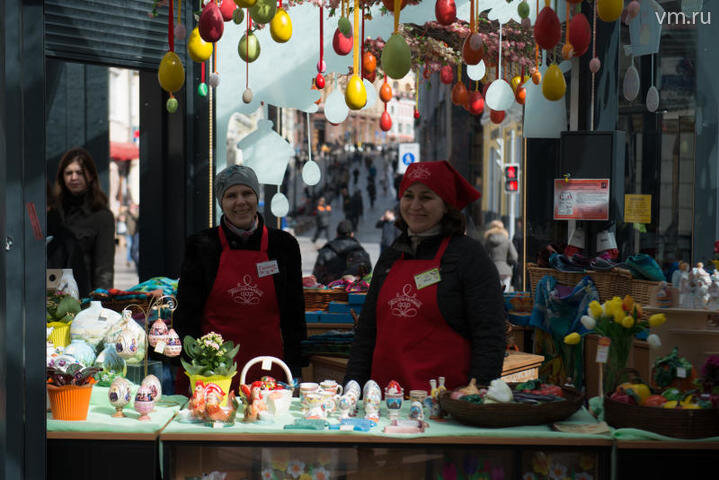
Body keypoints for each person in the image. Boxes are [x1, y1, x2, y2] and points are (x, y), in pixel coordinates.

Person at [344, 161, 506, 392]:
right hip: (382, 407)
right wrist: (353, 388)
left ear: (446, 205)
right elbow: (367, 333)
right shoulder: (391, 255)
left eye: (426, 197)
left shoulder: (468, 256)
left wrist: (476, 394)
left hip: (445, 409)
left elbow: (490, 334)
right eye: (408, 195)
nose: (415, 205)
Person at [174, 165, 306, 392]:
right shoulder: (202, 245)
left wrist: (295, 367)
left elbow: (294, 314)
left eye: (247, 193)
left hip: (269, 368)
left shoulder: (284, 245)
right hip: (212, 371)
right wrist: (190, 367)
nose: (240, 202)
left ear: (257, 196)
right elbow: (187, 315)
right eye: (231, 196)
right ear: (220, 202)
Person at [50, 147, 115, 296]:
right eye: (69, 173)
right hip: (52, 300)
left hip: (85, 300)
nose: (73, 177)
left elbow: (104, 270)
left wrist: (101, 304)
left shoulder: (101, 216)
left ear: (91, 175)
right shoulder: (54, 213)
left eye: (79, 172)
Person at [312, 220, 372, 285]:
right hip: (353, 293)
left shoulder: (326, 251)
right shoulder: (361, 252)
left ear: (337, 234)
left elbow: (316, 277)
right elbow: (368, 279)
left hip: (330, 293)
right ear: (352, 234)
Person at [483, 220, 518, 292]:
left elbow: (483, 257)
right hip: (506, 271)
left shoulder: (488, 241)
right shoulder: (507, 241)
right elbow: (514, 257)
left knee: (494, 296)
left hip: (492, 271)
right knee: (504, 297)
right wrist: (507, 262)